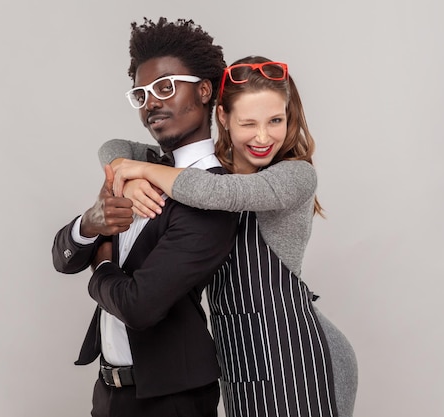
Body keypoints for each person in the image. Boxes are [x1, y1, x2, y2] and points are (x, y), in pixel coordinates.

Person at [99, 56, 358, 417]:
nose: (263, 136)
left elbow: (215, 194)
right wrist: (124, 172)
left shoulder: (295, 177)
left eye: (276, 121)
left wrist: (140, 169)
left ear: (289, 117)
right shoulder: (200, 171)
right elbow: (114, 146)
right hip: (238, 362)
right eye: (248, 123)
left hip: (297, 358)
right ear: (223, 117)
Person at [51, 17, 239, 417]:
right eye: (141, 94)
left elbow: (139, 307)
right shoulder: (137, 168)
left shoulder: (213, 194)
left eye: (165, 87)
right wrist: (91, 223)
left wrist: (101, 264)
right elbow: (63, 258)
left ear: (205, 91)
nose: (151, 102)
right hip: (109, 392)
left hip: (170, 400)